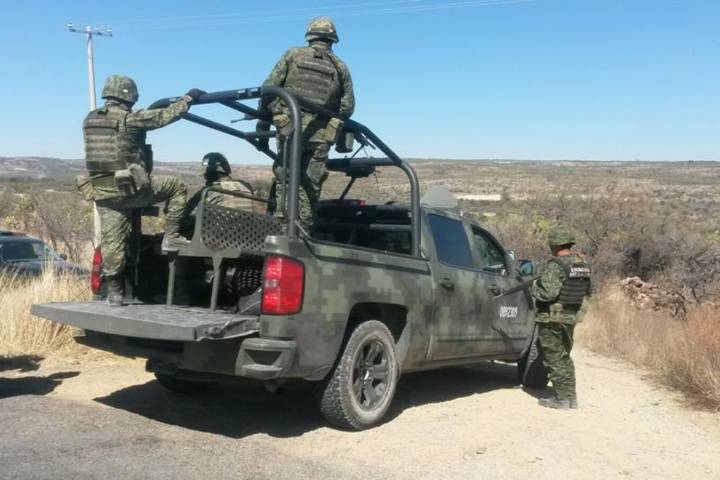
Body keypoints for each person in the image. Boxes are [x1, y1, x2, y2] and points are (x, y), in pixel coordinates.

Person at [82, 74, 205, 306]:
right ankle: (172, 237)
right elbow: (165, 116)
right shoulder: (129, 119)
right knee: (176, 187)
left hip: (104, 193)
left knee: (113, 243)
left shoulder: (90, 120)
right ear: (129, 95)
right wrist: (188, 98)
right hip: (130, 190)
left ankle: (115, 293)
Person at [257, 16, 355, 229]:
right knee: (311, 184)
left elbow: (268, 90)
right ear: (332, 40)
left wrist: (264, 124)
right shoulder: (340, 67)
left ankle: (283, 229)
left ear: (310, 37)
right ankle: (304, 231)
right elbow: (347, 107)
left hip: (289, 129)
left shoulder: (293, 55)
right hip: (320, 135)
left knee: (286, 177)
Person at [530, 224, 592, 409]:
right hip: (570, 317)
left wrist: (534, 288)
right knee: (564, 356)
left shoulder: (556, 266)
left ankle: (563, 399)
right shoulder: (582, 265)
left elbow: (548, 294)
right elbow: (588, 291)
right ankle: (570, 398)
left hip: (552, 319)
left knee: (555, 358)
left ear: (554, 244)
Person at [181, 152, 263, 236]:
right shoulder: (246, 186)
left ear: (207, 174)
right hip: (248, 236)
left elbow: (186, 219)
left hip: (219, 238)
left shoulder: (209, 191)